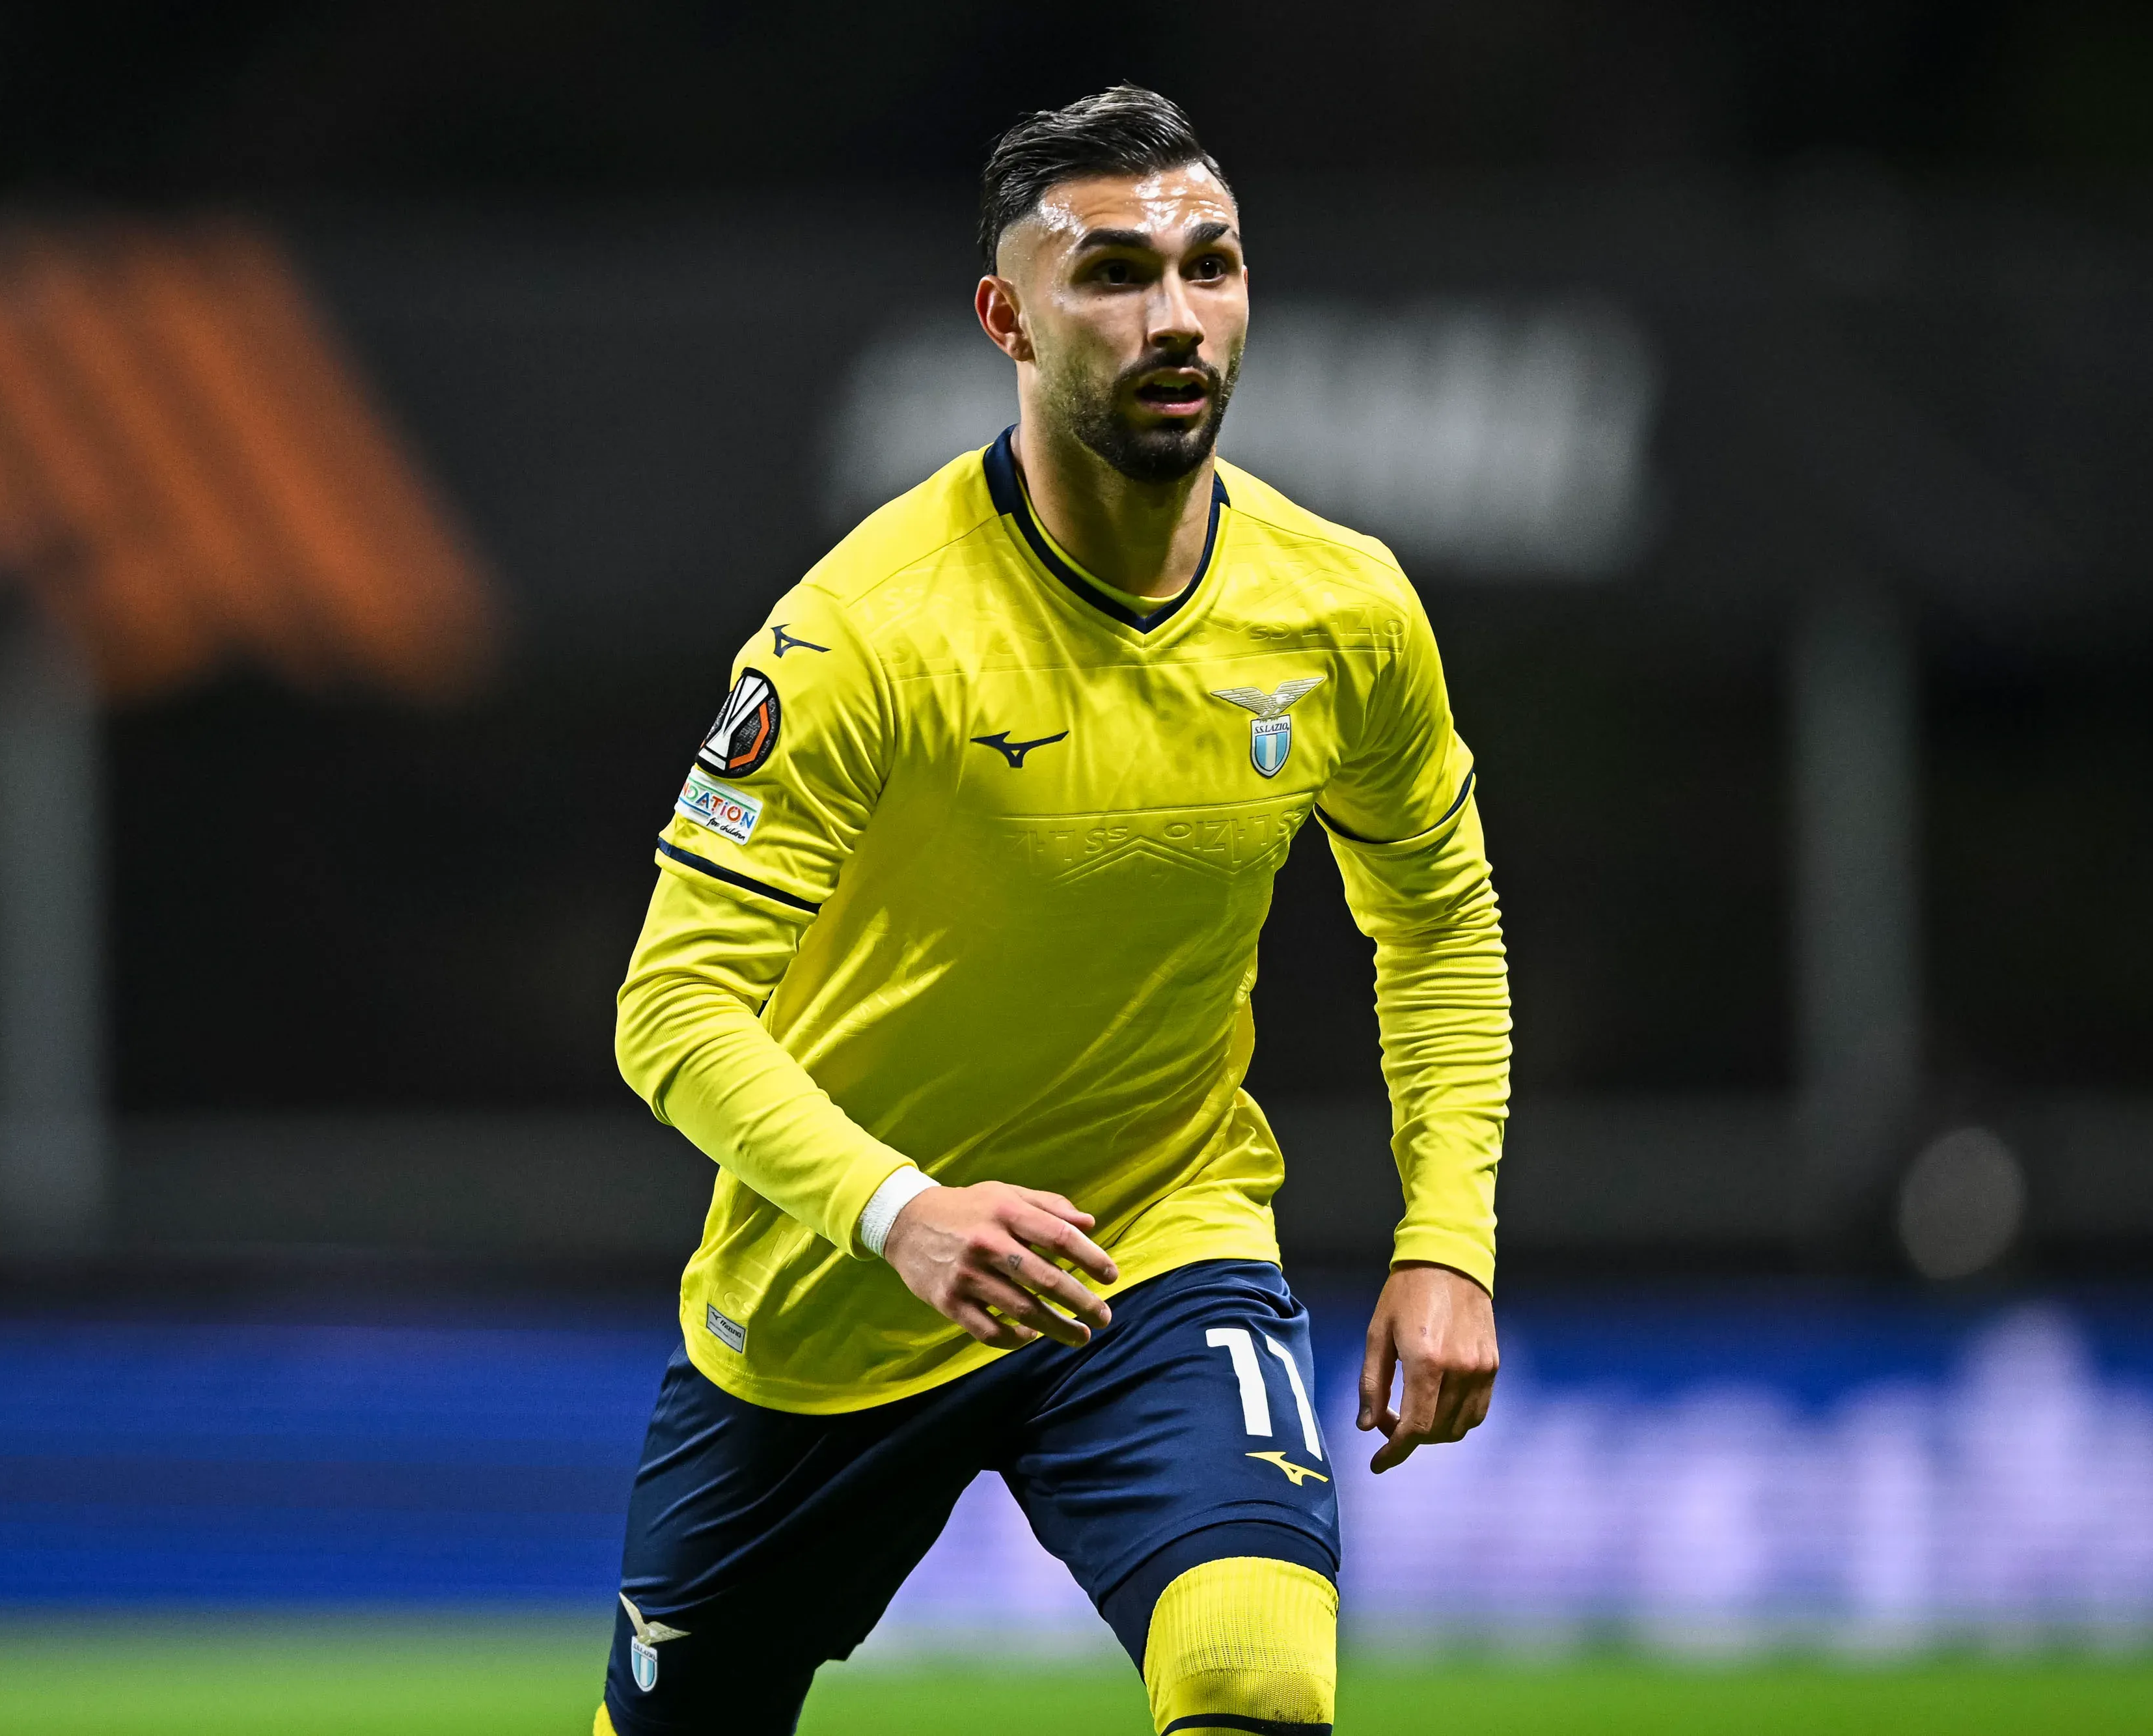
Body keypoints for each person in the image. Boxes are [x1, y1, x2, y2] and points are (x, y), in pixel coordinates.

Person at [597, 83, 1510, 1736]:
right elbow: (670, 1011)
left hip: (1149, 1238)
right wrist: (900, 1211)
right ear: (1006, 319)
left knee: (1254, 1674)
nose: (1174, 316)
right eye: (1111, 274)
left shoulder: (1341, 608)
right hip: (838, 1291)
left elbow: (1436, 917)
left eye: (1208, 264)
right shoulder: (862, 633)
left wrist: (1446, 1235)